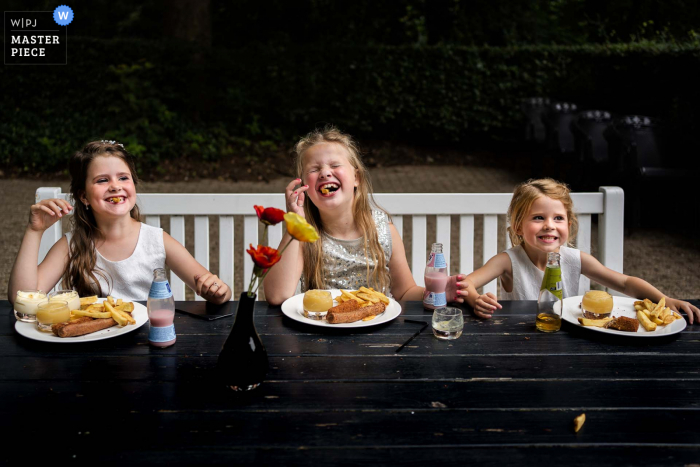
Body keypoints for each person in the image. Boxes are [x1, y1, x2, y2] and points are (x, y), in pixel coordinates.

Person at [263, 126, 469, 305]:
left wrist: (434, 293)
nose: (325, 173)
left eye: (335, 165)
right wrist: (295, 223)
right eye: (315, 169)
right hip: (322, 337)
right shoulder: (304, 236)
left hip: (377, 335)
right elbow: (277, 296)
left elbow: (405, 292)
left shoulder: (383, 231)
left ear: (356, 178)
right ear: (304, 187)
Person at [8, 140, 231, 304]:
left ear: (133, 185)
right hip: (92, 347)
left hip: (148, 340)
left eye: (123, 178)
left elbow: (211, 287)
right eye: (102, 180)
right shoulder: (72, 245)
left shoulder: (155, 240)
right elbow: (23, 299)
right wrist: (34, 231)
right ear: (83, 196)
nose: (115, 186)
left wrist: (218, 292)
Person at [463, 178, 700, 323]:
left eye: (558, 218)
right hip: (519, 340)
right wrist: (476, 300)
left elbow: (626, 283)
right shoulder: (508, 261)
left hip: (567, 339)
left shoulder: (575, 259)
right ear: (517, 226)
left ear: (568, 224)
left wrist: (665, 299)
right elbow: (467, 284)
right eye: (538, 217)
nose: (549, 225)